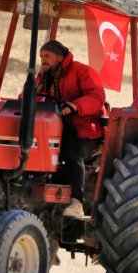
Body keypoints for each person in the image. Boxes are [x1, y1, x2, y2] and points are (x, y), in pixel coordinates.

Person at [37, 40, 106, 218]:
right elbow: (32, 93)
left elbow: (97, 96)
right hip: (56, 127)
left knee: (72, 149)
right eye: (41, 56)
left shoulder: (82, 71)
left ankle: (76, 202)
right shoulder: (44, 75)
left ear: (60, 58)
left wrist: (75, 106)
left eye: (47, 56)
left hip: (85, 130)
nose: (43, 60)